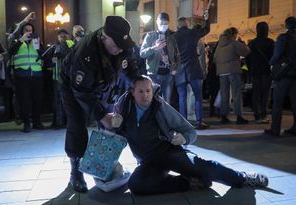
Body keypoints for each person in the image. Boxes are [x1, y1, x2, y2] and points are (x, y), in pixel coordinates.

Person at [109, 75, 268, 195]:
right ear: (132, 92)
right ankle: (187, 183)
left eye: (148, 91)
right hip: (148, 161)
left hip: (169, 152)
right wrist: (111, 123)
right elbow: (112, 135)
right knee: (136, 185)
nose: (145, 95)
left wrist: (183, 138)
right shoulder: (123, 108)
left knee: (202, 165)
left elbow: (190, 130)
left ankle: (243, 177)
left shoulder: (159, 106)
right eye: (141, 91)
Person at [60, 16, 139, 192]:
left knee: (109, 126)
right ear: (104, 37)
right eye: (116, 45)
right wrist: (101, 115)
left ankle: (103, 166)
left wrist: (137, 82)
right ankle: (76, 171)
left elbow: (130, 64)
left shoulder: (121, 44)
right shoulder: (86, 53)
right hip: (74, 86)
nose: (120, 49)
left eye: (122, 45)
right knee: (77, 124)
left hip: (103, 83)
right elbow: (81, 92)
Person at [173, 13, 210, 129]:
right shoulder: (192, 33)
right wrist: (206, 19)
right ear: (186, 24)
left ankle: (184, 124)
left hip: (179, 71)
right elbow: (206, 29)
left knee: (182, 98)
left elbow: (171, 55)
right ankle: (199, 122)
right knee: (198, 97)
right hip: (193, 69)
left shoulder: (173, 37)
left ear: (178, 26)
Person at [8, 21, 44, 133]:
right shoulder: (16, 41)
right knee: (25, 101)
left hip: (36, 74)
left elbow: (42, 55)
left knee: (37, 100)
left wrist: (38, 45)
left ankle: (37, 122)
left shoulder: (36, 41)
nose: (29, 32)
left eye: (30, 30)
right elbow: (11, 52)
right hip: (22, 75)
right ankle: (27, 123)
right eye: (26, 30)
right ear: (22, 32)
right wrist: (21, 40)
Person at [264, 17, 296, 136]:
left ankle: (275, 129)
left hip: (284, 73)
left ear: (286, 25)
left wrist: (271, 63)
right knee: (294, 103)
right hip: (295, 75)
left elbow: (277, 54)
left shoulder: (283, 38)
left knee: (278, 102)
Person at [140, 12, 179, 103]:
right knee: (153, 100)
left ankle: (164, 117)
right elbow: (142, 53)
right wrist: (154, 48)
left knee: (166, 102)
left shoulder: (172, 37)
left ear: (168, 23)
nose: (163, 26)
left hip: (168, 73)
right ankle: (154, 117)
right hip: (154, 73)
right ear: (157, 22)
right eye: (161, 23)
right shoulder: (150, 36)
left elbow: (178, 54)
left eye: (165, 24)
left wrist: (175, 68)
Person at [214, 27, 250, 124]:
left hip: (222, 73)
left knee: (224, 94)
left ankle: (224, 116)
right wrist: (242, 43)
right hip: (233, 71)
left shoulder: (219, 45)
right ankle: (239, 116)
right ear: (234, 34)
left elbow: (215, 58)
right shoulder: (234, 43)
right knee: (236, 94)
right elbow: (246, 52)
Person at [247, 22, 274, 123]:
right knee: (266, 94)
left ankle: (256, 114)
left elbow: (247, 58)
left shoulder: (252, 43)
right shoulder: (270, 42)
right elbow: (274, 58)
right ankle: (263, 114)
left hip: (255, 71)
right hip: (266, 71)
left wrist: (250, 70)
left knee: (256, 93)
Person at [49, 29, 74, 129]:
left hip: (69, 78)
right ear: (57, 37)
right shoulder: (54, 46)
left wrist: (59, 53)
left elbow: (71, 54)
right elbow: (48, 58)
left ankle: (68, 122)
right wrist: (51, 57)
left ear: (68, 36)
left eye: (64, 36)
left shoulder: (71, 44)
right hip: (57, 77)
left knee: (68, 101)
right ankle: (57, 122)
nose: (62, 38)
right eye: (60, 36)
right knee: (57, 101)